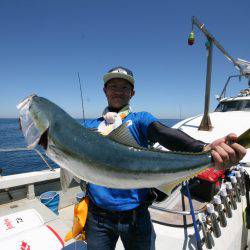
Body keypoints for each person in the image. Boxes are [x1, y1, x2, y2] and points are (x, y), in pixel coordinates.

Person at [83, 66, 246, 250]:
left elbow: (164, 133)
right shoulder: (90, 126)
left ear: (132, 93)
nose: (118, 91)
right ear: (105, 90)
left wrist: (204, 148)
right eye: (113, 86)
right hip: (97, 218)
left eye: (124, 87)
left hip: (136, 217)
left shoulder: (139, 119)